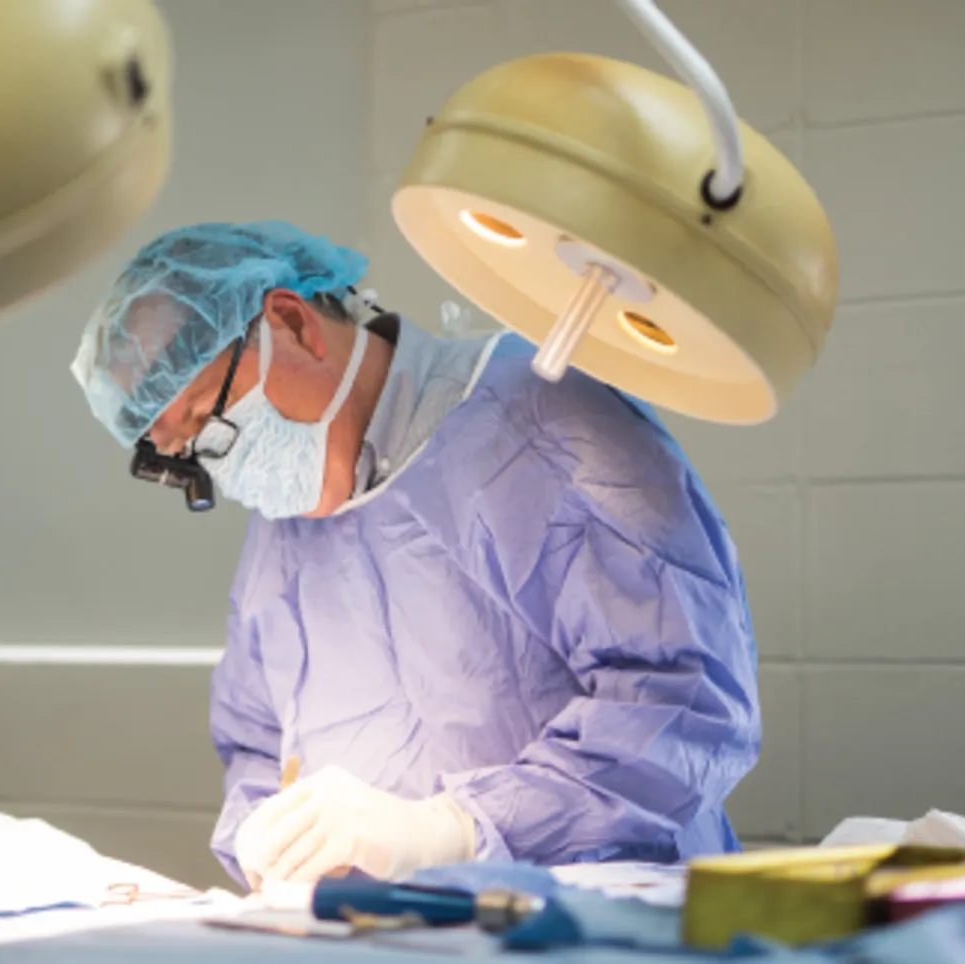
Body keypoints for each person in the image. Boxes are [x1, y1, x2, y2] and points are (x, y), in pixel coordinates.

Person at [71, 221, 759, 889]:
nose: (218, 466)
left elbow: (684, 706)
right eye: (185, 456)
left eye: (205, 423)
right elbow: (255, 737)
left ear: (292, 323)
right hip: (388, 936)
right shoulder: (287, 516)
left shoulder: (548, 425)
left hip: (598, 929)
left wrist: (454, 828)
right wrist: (263, 832)